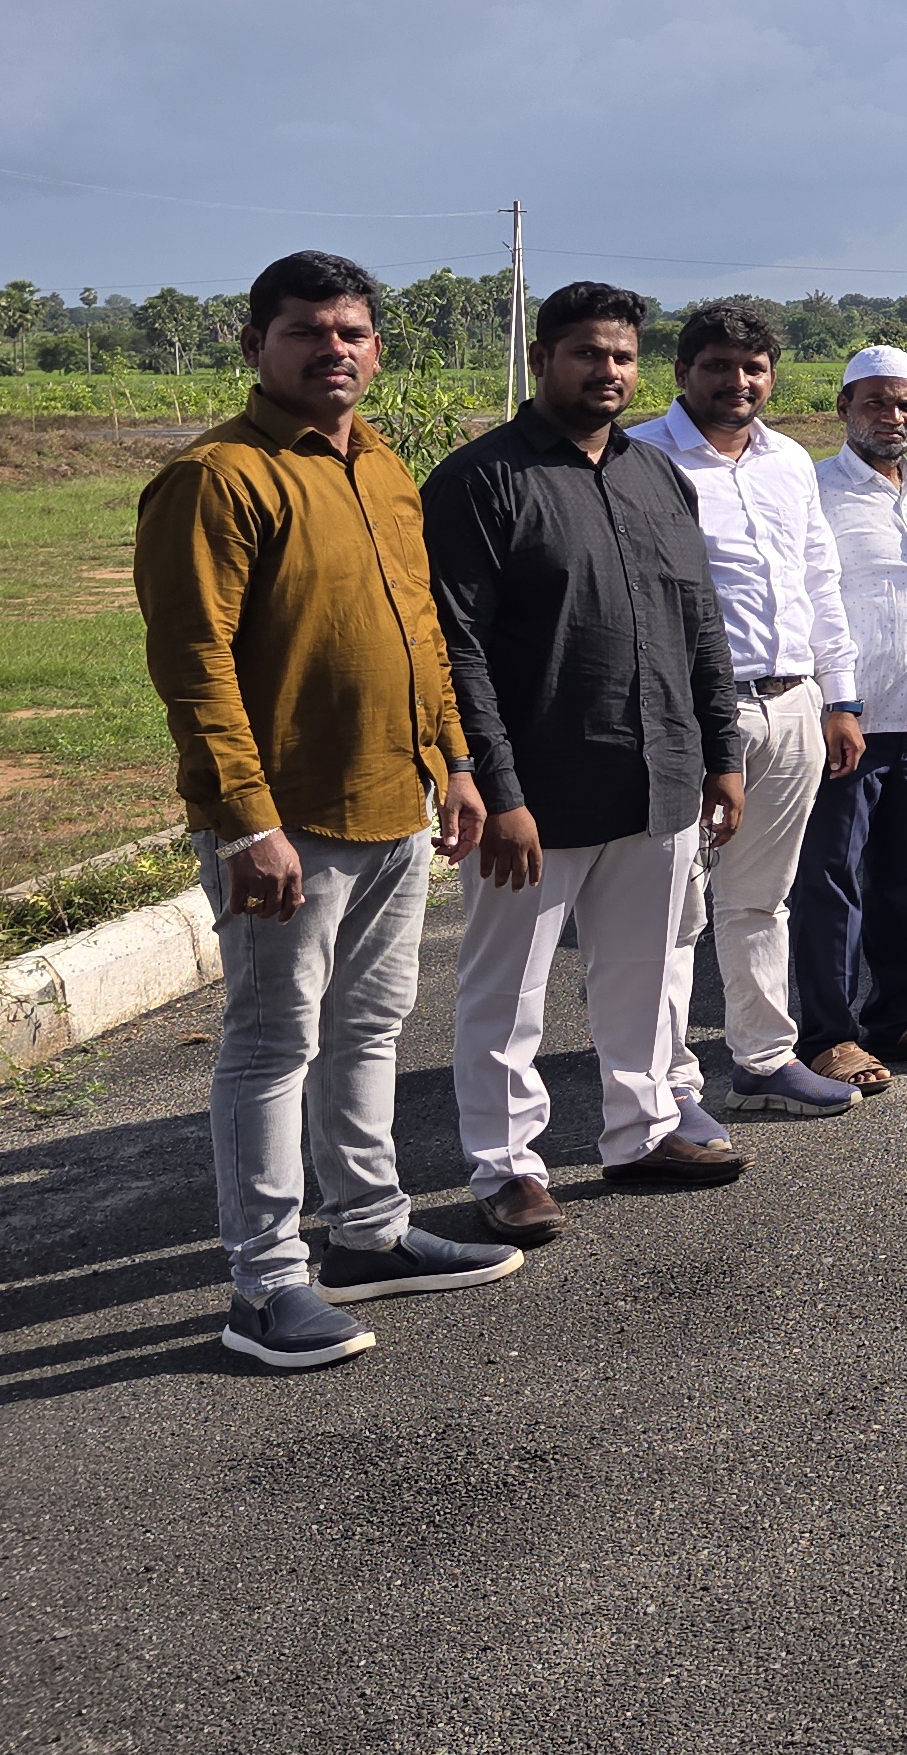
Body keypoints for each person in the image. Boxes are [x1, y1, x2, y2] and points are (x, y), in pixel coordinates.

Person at [137, 251, 511, 1370]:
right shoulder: (217, 478)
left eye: (350, 331)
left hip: (396, 800)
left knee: (371, 1028)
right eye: (305, 330)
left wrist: (454, 760)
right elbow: (194, 663)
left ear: (376, 349)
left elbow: (421, 631)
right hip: (288, 818)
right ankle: (265, 1284)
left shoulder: (385, 467)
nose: (331, 349)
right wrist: (246, 822)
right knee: (270, 1045)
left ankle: (368, 1231)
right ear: (257, 345)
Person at [430, 280, 750, 1233]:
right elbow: (457, 649)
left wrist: (720, 751)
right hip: (537, 791)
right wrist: (498, 788)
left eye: (622, 356)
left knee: (648, 973)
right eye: (587, 354)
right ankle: (504, 1167)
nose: (607, 371)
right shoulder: (480, 480)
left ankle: (643, 1130)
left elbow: (700, 623)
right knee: (508, 989)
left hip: (658, 774)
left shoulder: (658, 476)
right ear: (542, 360)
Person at [633, 301, 866, 1123]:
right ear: (681, 373)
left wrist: (839, 698)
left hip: (793, 703)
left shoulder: (788, 461)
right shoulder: (641, 458)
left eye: (754, 367)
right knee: (675, 911)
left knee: (762, 898)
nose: (738, 382)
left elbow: (818, 580)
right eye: (718, 367)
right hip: (697, 713)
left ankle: (764, 1060)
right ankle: (669, 1086)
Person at [791, 345, 907, 1075]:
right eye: (875, 402)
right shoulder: (817, 493)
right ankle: (827, 1036)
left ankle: (899, 1017)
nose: (893, 417)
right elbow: (806, 607)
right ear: (844, 408)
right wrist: (836, 703)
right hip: (848, 721)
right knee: (832, 880)